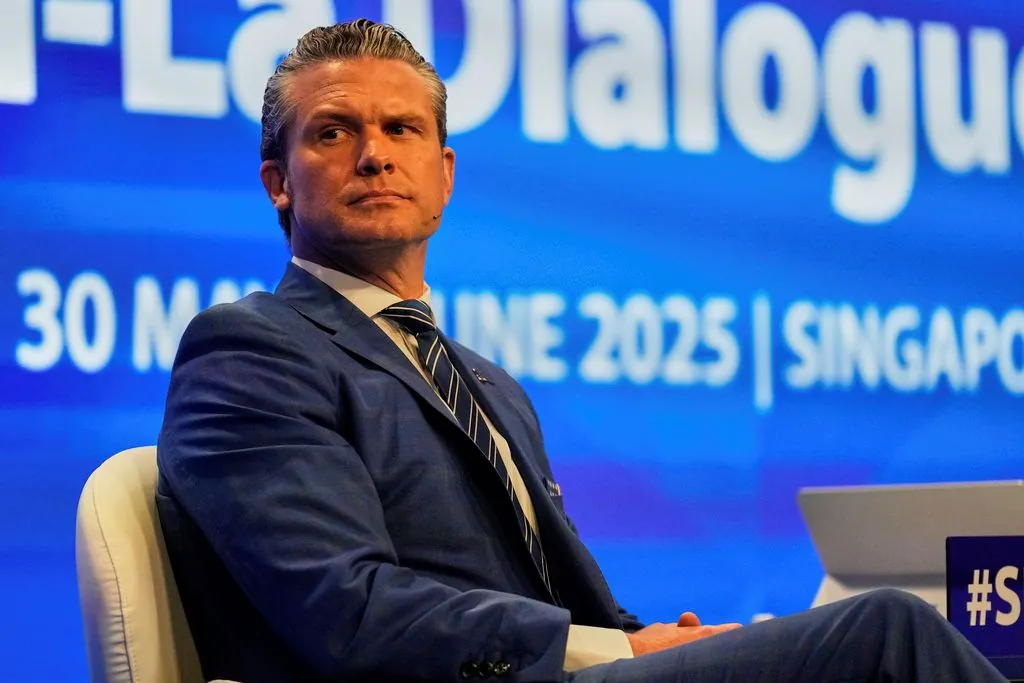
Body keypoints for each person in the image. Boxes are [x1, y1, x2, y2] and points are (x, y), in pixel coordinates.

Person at [156, 18, 1006, 683]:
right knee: (886, 631)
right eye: (335, 132)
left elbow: (554, 605)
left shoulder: (488, 384)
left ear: (444, 174)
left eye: (401, 128)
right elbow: (348, 612)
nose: (375, 154)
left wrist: (655, 639)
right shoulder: (249, 350)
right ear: (278, 182)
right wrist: (619, 651)